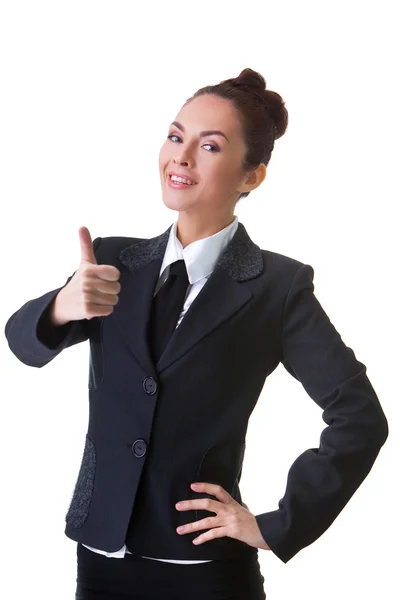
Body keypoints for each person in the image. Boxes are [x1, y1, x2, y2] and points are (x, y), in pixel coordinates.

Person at [4, 68, 388, 600]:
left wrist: (277, 524)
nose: (180, 157)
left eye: (209, 146)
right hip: (100, 562)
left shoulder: (276, 288)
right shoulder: (114, 261)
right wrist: (61, 307)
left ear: (251, 176)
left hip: (205, 572)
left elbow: (360, 417)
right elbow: (22, 345)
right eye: (175, 136)